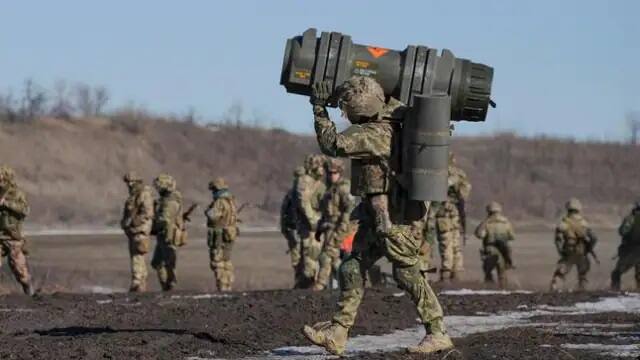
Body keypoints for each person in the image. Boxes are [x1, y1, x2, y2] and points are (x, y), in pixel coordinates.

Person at [302, 76, 452, 354]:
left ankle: (437, 331)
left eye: (346, 107)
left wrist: (319, 108)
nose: (344, 113)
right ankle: (338, 331)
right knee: (351, 268)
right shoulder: (392, 120)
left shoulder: (373, 134)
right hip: (377, 216)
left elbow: (332, 144)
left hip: (393, 219)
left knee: (407, 273)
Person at [314, 158, 354, 291]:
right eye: (329, 173)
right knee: (335, 260)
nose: (332, 176)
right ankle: (349, 284)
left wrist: (340, 234)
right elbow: (326, 213)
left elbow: (348, 212)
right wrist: (319, 229)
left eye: (335, 173)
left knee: (326, 256)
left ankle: (320, 285)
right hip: (330, 229)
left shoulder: (344, 188)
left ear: (340, 172)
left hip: (341, 230)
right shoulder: (330, 189)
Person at [434, 153, 471, 282]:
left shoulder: (437, 172)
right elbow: (464, 195)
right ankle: (457, 273)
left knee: (446, 243)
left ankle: (446, 273)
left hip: (443, 213)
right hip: (455, 213)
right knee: (456, 244)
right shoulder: (460, 174)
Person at [549, 198, 598, 291]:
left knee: (560, 274)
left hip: (569, 252)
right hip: (582, 252)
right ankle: (583, 292)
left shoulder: (563, 223)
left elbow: (558, 240)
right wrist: (588, 249)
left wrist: (561, 252)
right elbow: (594, 238)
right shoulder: (584, 223)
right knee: (583, 275)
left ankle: (554, 292)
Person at [0, 165, 33, 295]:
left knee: (20, 270)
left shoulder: (16, 194)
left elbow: (25, 210)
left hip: (13, 237)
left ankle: (29, 292)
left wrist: (6, 204)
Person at [294, 154, 326, 289]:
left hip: (317, 227)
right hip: (310, 229)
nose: (323, 170)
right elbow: (304, 203)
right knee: (310, 265)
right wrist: (314, 221)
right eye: (321, 167)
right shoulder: (305, 181)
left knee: (316, 262)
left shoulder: (318, 183)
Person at [120, 172, 154, 292]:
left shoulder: (144, 194)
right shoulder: (133, 196)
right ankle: (139, 282)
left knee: (138, 255)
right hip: (133, 231)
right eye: (128, 182)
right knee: (136, 255)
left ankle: (138, 281)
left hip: (140, 230)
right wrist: (125, 224)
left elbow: (147, 213)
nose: (129, 184)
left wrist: (134, 222)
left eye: (131, 182)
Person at [151, 174, 184, 291]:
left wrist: (152, 224)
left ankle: (169, 286)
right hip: (163, 235)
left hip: (168, 236)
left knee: (168, 263)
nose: (158, 189)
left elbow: (164, 219)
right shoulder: (165, 200)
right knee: (157, 263)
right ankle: (165, 286)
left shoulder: (170, 202)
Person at [205, 177, 238, 291]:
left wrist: (207, 210)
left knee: (218, 263)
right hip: (229, 235)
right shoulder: (231, 201)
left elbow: (213, 216)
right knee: (227, 261)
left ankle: (222, 287)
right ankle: (228, 286)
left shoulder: (220, 202)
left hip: (219, 236)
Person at [474, 201, 515, 288]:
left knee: (488, 271)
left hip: (490, 249)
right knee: (502, 272)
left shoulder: (487, 223)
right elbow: (512, 236)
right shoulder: (506, 222)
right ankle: (503, 289)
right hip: (503, 250)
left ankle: (489, 288)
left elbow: (479, 235)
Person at [280, 166, 305, 283]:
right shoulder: (291, 195)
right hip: (294, 230)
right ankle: (300, 283)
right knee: (296, 261)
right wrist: (286, 230)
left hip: (306, 231)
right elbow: (284, 213)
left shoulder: (311, 192)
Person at [611, 201, 640, 291]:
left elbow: (622, 231)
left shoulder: (631, 219)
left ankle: (615, 291)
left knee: (616, 273)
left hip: (631, 251)